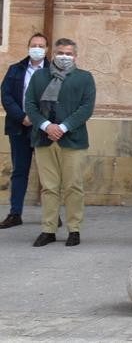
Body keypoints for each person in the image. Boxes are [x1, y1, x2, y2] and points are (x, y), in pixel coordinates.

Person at [24, 38, 95, 247]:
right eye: (61, 53)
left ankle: (74, 229)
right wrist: (47, 126)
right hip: (44, 139)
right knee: (49, 187)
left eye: (69, 53)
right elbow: (30, 104)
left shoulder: (84, 78)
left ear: (75, 56)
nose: (64, 57)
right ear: (53, 54)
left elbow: (86, 108)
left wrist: (62, 127)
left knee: (73, 186)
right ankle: (49, 229)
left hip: (72, 140)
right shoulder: (39, 76)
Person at [0, 33, 47, 229]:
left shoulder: (53, 71)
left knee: (48, 173)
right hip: (20, 128)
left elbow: (58, 99)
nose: (37, 48)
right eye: (34, 44)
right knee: (20, 171)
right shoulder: (16, 70)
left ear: (47, 50)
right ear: (28, 47)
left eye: (41, 45)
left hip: (45, 129)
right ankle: (15, 213)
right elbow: (6, 95)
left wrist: (39, 120)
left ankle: (51, 214)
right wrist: (22, 117)